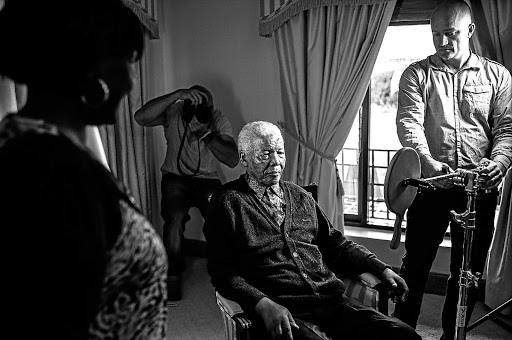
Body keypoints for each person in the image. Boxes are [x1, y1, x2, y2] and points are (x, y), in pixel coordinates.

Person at [0, 1, 167, 339]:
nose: (131, 82)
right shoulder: (53, 172)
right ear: (89, 71)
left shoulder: (30, 143)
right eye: (126, 62)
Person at [204, 121, 421, 340]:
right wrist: (262, 304)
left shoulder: (300, 196)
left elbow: (337, 245)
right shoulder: (227, 203)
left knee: (405, 335)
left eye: (280, 152)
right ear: (244, 158)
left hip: (330, 301)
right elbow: (223, 273)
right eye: (265, 155)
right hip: (281, 310)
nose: (276, 162)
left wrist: (382, 269)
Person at [393, 1, 512, 339]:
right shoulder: (416, 74)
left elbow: (507, 130)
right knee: (414, 267)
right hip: (430, 187)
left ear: (470, 31)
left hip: (479, 191)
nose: (442, 43)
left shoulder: (498, 76)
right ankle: (400, 332)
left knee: (468, 273)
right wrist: (426, 161)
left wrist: (499, 163)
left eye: (451, 34)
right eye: (436, 35)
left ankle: (452, 335)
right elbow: (409, 125)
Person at [134, 85, 239, 300]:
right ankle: (172, 275)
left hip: (207, 178)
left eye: (206, 107)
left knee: (222, 219)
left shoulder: (218, 120)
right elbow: (140, 117)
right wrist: (176, 95)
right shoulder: (175, 112)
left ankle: (227, 273)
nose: (201, 113)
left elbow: (232, 159)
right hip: (175, 176)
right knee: (174, 219)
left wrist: (207, 134)